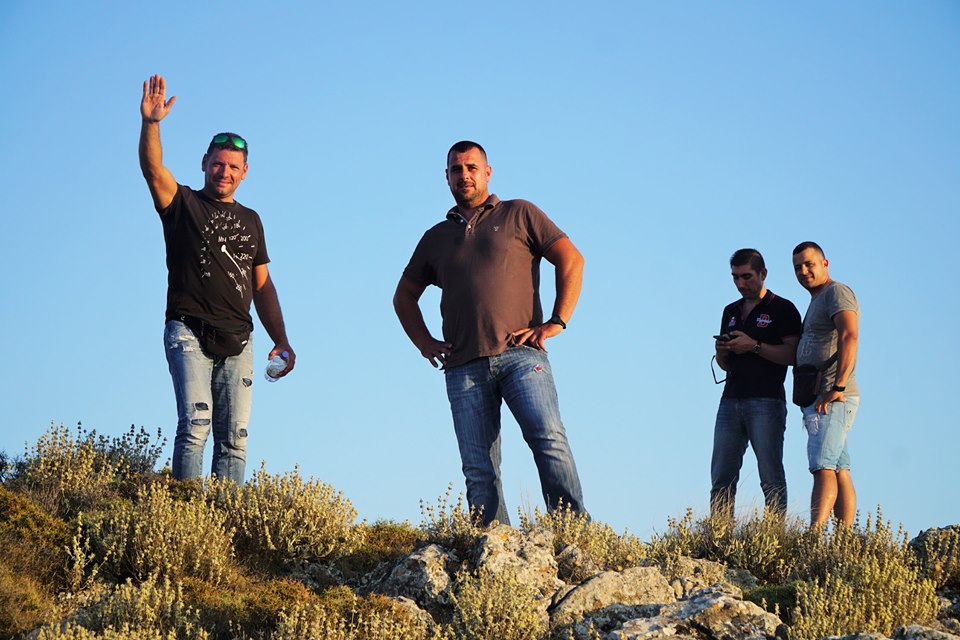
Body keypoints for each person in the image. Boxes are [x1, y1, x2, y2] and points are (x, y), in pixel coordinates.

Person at [393, 141, 587, 526]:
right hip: (462, 366)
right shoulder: (435, 237)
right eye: (456, 169)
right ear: (446, 177)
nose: (464, 175)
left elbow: (571, 258)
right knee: (478, 466)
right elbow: (403, 296)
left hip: (522, 355)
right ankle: (493, 543)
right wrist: (423, 342)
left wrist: (557, 320)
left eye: (471, 167)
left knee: (548, 438)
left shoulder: (519, 213)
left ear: (487, 173)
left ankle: (573, 531)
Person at [139, 74, 295, 484]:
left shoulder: (252, 220)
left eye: (232, 167)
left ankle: (225, 518)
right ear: (204, 163)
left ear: (245, 172)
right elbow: (153, 171)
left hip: (238, 340)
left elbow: (262, 286)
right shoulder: (183, 204)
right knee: (195, 426)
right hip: (188, 330)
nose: (224, 172)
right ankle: (185, 511)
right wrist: (151, 124)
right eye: (218, 164)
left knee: (235, 440)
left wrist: (281, 338)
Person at [712, 249, 802, 519]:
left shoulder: (782, 309)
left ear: (763, 274)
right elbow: (726, 365)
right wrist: (722, 351)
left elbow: (793, 356)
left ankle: (775, 534)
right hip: (730, 399)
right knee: (721, 476)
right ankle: (719, 535)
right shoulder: (731, 311)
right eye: (735, 277)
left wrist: (753, 346)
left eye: (746, 276)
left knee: (770, 474)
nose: (740, 283)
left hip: (767, 400)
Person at [792, 241, 860, 525]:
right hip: (821, 396)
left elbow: (849, 335)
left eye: (809, 264)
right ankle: (844, 540)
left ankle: (815, 536)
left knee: (822, 467)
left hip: (832, 397)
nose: (804, 271)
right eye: (798, 267)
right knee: (839, 468)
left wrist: (838, 387)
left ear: (825, 263)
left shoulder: (836, 292)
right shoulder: (817, 300)